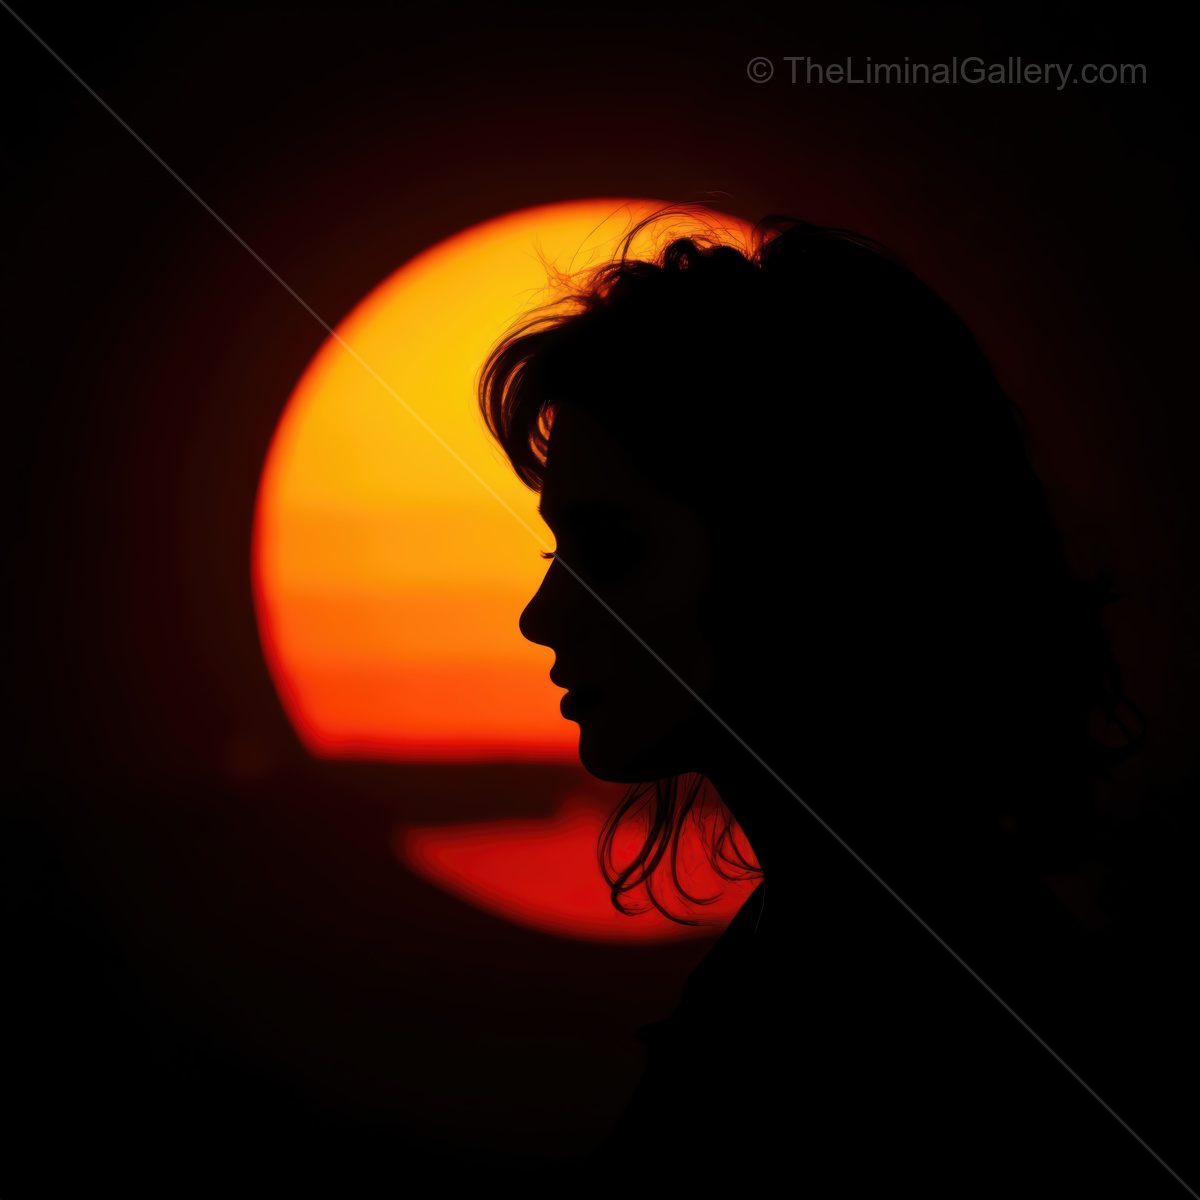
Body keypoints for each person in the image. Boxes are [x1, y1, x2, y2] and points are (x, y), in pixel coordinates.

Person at [475, 206, 1193, 1194]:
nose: (542, 616)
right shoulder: (832, 938)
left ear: (803, 556)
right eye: (560, 553)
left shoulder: (905, 1004)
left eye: (611, 551)